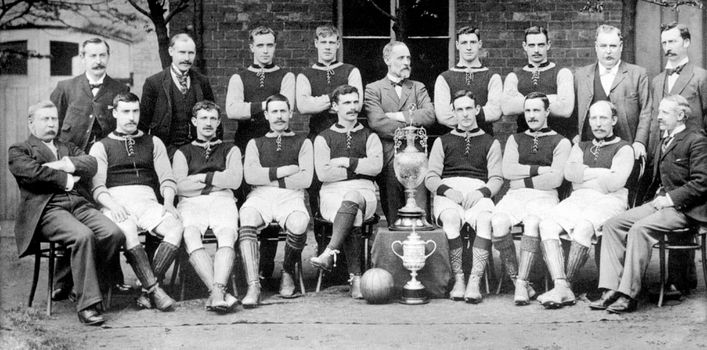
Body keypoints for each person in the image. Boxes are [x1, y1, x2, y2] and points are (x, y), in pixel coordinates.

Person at [8, 101, 124, 325]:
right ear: (31, 124)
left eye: (54, 119)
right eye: (45, 119)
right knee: (82, 236)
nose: (51, 124)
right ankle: (87, 305)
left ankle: (85, 285)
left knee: (113, 233)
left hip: (79, 204)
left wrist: (63, 164)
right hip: (47, 209)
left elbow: (91, 164)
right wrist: (68, 178)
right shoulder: (19, 149)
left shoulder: (67, 147)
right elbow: (32, 173)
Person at [594, 95, 707, 313]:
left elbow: (702, 183)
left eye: (664, 113)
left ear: (681, 115)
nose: (658, 117)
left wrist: (670, 199)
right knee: (612, 224)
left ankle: (629, 294)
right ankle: (611, 288)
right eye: (658, 112)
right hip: (660, 202)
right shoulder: (663, 139)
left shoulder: (697, 140)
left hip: (685, 208)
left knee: (639, 229)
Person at [49, 37, 130, 299]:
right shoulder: (65, 88)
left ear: (108, 57)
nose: (97, 61)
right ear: (82, 58)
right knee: (72, 222)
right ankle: (63, 281)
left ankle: (112, 278)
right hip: (72, 168)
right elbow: (53, 128)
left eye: (102, 55)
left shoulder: (119, 88)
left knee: (107, 220)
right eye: (92, 56)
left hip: (106, 168)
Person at [90, 92, 184, 311]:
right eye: (125, 112)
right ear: (114, 113)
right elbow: (97, 187)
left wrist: (168, 202)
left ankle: (146, 290)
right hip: (116, 201)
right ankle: (156, 291)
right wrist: (113, 206)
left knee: (175, 226)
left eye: (135, 111)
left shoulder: (153, 142)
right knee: (128, 229)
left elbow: (167, 179)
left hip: (148, 201)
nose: (131, 117)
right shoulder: (101, 146)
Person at [537, 100, 634, 309]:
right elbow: (570, 174)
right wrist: (602, 173)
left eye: (603, 118)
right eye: (594, 118)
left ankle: (566, 286)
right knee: (547, 224)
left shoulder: (624, 148)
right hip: (579, 197)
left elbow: (615, 183)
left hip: (611, 200)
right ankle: (560, 285)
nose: (598, 124)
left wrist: (584, 174)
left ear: (614, 120)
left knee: (584, 227)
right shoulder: (581, 146)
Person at [486, 92, 571, 305]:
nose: (531, 115)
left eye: (536, 110)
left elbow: (556, 180)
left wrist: (522, 179)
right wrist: (540, 169)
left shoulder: (561, 142)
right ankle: (516, 279)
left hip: (545, 196)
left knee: (533, 223)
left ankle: (523, 283)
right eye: (528, 110)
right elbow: (508, 171)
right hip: (515, 195)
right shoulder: (516, 139)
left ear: (547, 112)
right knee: (498, 222)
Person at [226, 26, 296, 279]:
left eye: (270, 45)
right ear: (251, 47)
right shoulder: (239, 77)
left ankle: (266, 268)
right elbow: (232, 110)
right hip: (246, 144)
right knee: (245, 204)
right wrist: (266, 105)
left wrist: (251, 107)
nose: (265, 50)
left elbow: (287, 109)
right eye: (260, 45)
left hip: (278, 144)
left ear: (275, 47)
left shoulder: (286, 76)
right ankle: (242, 267)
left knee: (272, 199)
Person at [424, 90, 503, 303]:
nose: (465, 114)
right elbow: (430, 177)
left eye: (469, 108)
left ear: (477, 110)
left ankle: (474, 280)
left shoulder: (490, 142)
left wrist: (481, 192)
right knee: (450, 218)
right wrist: (448, 191)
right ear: (454, 113)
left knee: (485, 219)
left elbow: (496, 179)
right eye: (460, 109)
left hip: (478, 189)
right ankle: (459, 278)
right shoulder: (442, 141)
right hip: (449, 190)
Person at [645, 23, 707, 293]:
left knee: (683, 208)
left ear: (686, 42)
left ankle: (679, 280)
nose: (667, 48)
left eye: (672, 41)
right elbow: (653, 120)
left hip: (692, 155)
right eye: (664, 43)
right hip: (665, 153)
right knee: (664, 207)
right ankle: (678, 279)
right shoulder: (658, 80)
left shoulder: (701, 77)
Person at [238, 94, 313, 306]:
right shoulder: (256, 143)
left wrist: (268, 178)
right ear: (266, 115)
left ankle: (287, 271)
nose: (279, 116)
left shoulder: (303, 142)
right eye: (274, 111)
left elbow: (305, 179)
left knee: (299, 222)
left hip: (291, 197)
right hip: (260, 196)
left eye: (283, 111)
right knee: (247, 215)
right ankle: (254, 284)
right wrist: (287, 170)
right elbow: (250, 176)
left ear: (290, 113)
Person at [309, 85, 383, 298]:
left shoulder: (370, 136)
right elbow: (323, 174)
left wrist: (345, 161)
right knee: (354, 212)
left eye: (355, 102)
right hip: (331, 193)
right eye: (347, 103)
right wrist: (359, 168)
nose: (352, 107)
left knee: (353, 199)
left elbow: (375, 167)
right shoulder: (323, 137)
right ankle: (356, 279)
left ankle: (328, 252)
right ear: (334, 107)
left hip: (365, 192)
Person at [172, 100, 242, 312]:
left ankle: (216, 292)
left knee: (228, 235)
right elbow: (180, 187)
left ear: (219, 121)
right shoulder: (182, 152)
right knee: (191, 234)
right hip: (191, 203)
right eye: (203, 118)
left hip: (223, 200)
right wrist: (216, 181)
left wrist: (202, 178)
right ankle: (219, 291)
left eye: (213, 118)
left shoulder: (231, 149)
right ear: (194, 121)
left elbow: (235, 181)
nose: (208, 123)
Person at [364, 41, 435, 227]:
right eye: (401, 58)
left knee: (421, 212)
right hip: (389, 156)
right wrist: (412, 126)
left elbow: (429, 115)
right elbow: (377, 122)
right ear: (387, 59)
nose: (406, 62)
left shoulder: (417, 87)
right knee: (394, 213)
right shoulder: (374, 89)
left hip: (418, 157)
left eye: (408, 58)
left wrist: (397, 115)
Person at [296, 24, 363, 220]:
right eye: (323, 42)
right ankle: (321, 237)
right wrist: (337, 99)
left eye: (332, 42)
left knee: (348, 181)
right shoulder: (305, 74)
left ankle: (348, 234)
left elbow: (356, 104)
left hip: (347, 135)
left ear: (338, 44)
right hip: (318, 135)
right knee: (316, 185)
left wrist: (319, 101)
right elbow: (303, 105)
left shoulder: (350, 71)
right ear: (316, 43)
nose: (327, 47)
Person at [575, 25, 651, 161]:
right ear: (596, 47)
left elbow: (646, 111)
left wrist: (640, 141)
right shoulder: (581, 75)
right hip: (590, 149)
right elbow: (574, 111)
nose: (608, 51)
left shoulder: (638, 74)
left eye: (613, 46)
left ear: (621, 47)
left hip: (627, 149)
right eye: (603, 46)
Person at [139, 33, 216, 158]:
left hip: (198, 151)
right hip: (166, 152)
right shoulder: (154, 83)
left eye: (191, 53)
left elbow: (214, 117)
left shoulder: (202, 81)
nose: (187, 58)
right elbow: (142, 125)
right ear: (171, 51)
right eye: (182, 52)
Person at [502, 26, 575, 140]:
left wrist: (523, 101)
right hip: (524, 140)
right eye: (531, 45)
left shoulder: (562, 73)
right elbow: (507, 108)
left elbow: (565, 110)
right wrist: (552, 99)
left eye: (540, 45)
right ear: (524, 46)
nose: (536, 50)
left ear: (548, 45)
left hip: (557, 139)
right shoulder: (514, 77)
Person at [434, 26, 502, 135]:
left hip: (484, 140)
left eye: (473, 42)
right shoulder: (444, 78)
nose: (469, 47)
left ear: (479, 44)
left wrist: (460, 114)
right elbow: (443, 116)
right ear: (457, 45)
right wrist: (479, 114)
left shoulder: (492, 77)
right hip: (454, 141)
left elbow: (495, 112)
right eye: (464, 43)